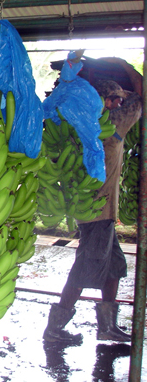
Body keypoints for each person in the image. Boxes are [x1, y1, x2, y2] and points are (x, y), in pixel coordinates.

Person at [43, 79, 142, 344]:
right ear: (104, 103)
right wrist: (129, 80)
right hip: (96, 213)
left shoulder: (83, 125)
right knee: (84, 269)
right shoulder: (110, 126)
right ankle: (54, 328)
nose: (119, 105)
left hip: (100, 212)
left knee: (114, 267)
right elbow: (138, 103)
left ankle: (107, 325)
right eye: (114, 100)